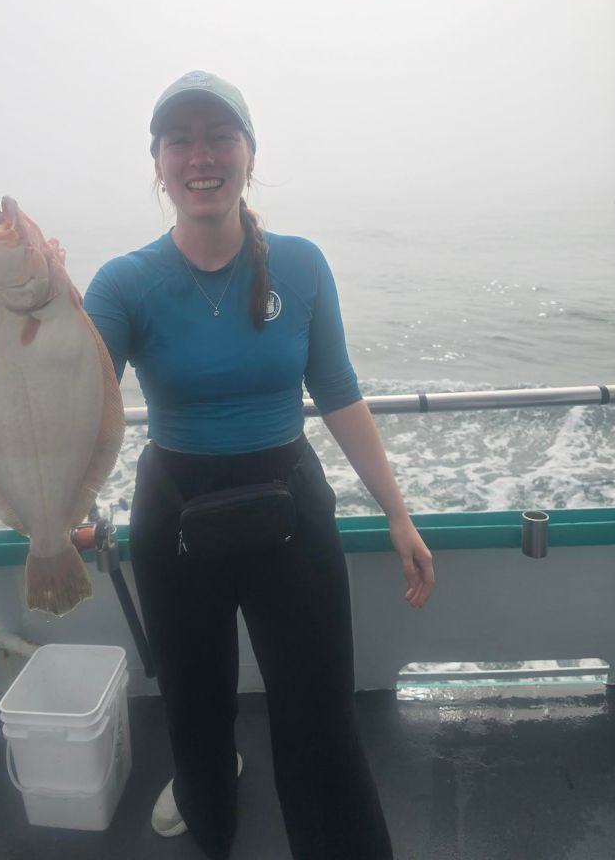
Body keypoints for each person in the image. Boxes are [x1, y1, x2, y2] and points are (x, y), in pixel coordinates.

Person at [83, 70, 435, 860]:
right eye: (181, 140)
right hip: (173, 514)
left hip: (291, 509)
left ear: (247, 153)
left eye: (219, 137)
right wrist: (26, 302)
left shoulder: (302, 266)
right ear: (158, 162)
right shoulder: (123, 282)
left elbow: (338, 392)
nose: (200, 156)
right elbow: (76, 402)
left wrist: (397, 511)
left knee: (317, 710)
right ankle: (211, 813)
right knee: (193, 704)